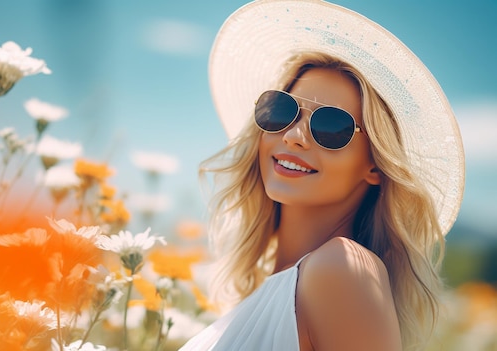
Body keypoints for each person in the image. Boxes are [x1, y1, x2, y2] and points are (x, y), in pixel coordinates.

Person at [180, 0, 465, 350]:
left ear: (375, 165)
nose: (293, 136)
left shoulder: (343, 269)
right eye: (282, 111)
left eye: (331, 126)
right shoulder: (275, 285)